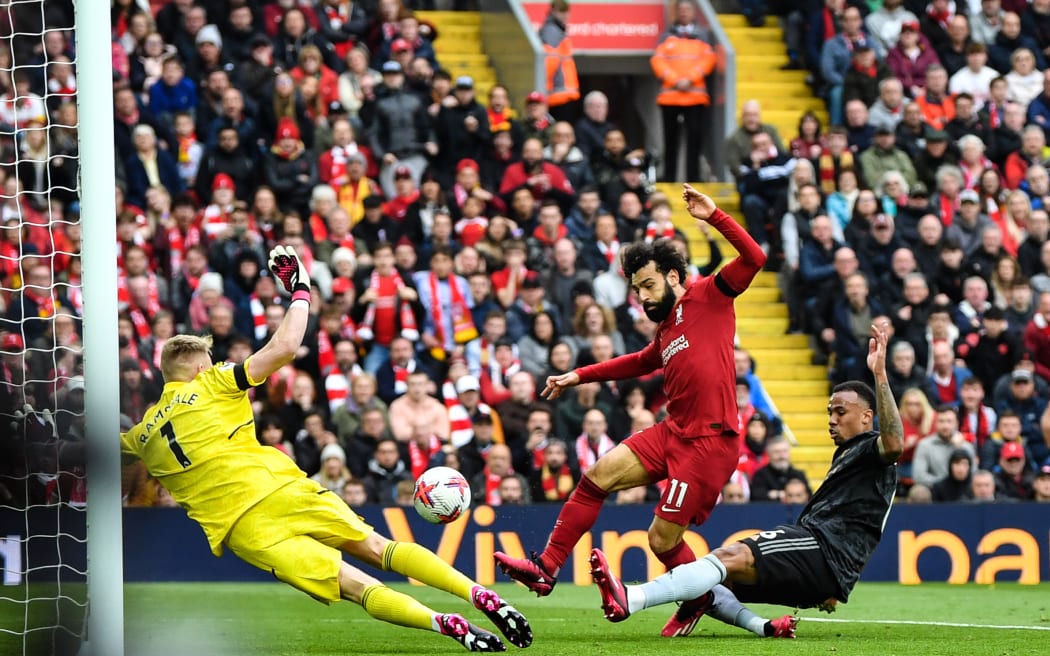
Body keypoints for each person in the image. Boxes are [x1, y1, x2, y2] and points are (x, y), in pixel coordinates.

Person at [119, 246, 530, 653]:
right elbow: (283, 349)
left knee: (355, 586)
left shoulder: (141, 435)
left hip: (246, 530)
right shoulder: (213, 382)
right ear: (199, 368)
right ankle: (478, 594)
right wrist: (300, 290)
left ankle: (443, 624)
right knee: (377, 548)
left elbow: (83, 455)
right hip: (281, 489)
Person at [494, 184, 766, 636]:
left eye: (648, 284)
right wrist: (579, 375)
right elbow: (640, 362)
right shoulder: (666, 330)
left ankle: (697, 598)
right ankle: (546, 567)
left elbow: (755, 258)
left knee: (661, 540)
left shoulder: (710, 296)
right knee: (597, 476)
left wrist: (714, 215)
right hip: (674, 432)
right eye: (637, 288)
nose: (641, 296)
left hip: (710, 442)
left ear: (675, 277)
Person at [589, 325, 902, 639]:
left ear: (866, 416)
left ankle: (630, 599)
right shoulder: (850, 454)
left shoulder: (872, 449)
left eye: (840, 412)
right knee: (716, 577)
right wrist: (837, 579)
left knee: (726, 558)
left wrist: (880, 376)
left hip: (821, 549)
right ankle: (759, 626)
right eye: (829, 412)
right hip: (827, 567)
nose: (832, 419)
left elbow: (894, 444)